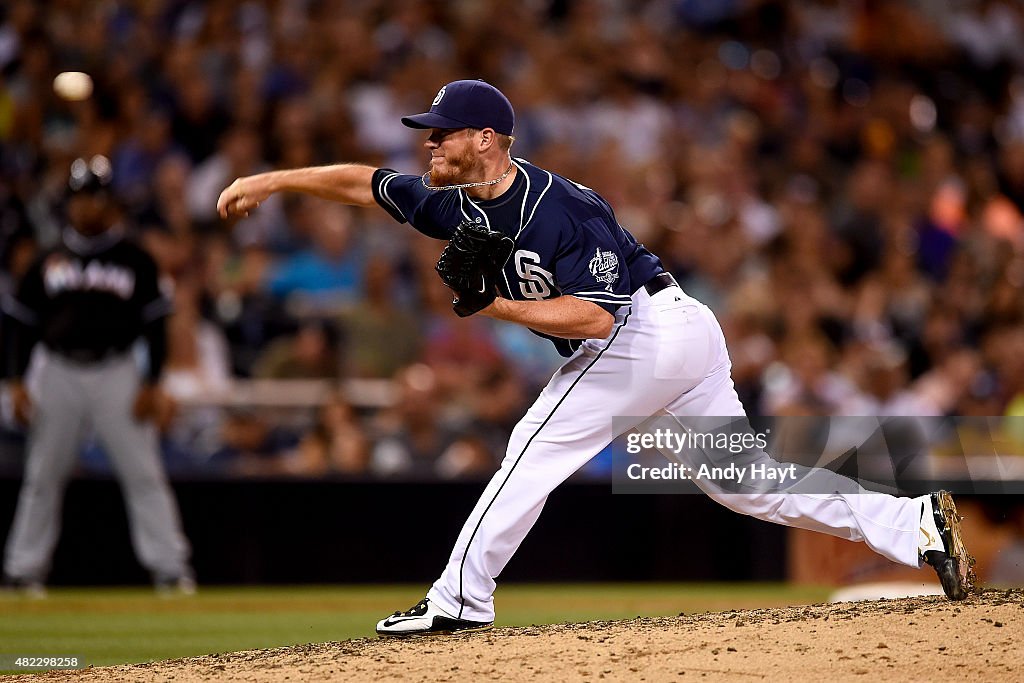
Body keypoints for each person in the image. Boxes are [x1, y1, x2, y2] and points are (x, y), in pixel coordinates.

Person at [217, 80, 974, 636]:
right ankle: (913, 524)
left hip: (650, 329)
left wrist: (492, 304)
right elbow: (363, 183)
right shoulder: (450, 199)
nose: (428, 143)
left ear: (486, 139)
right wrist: (271, 181)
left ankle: (458, 600)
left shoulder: (560, 208)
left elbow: (592, 316)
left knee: (533, 442)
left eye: (442, 133)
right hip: (673, 336)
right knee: (745, 483)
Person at [2, 156, 194, 596]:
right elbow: (22, 324)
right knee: (42, 476)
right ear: (69, 203)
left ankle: (170, 568)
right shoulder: (48, 258)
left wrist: (152, 382)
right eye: (82, 198)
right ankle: (23, 570)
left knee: (143, 473)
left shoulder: (134, 258)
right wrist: (16, 380)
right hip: (58, 369)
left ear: (111, 203)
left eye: (97, 197)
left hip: (118, 370)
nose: (89, 207)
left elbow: (155, 325)